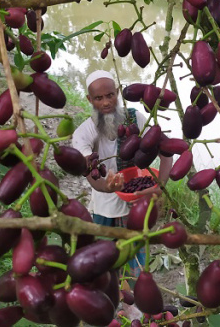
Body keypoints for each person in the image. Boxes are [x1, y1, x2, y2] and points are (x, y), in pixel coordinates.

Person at [71, 70, 172, 283]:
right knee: (105, 264)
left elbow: (166, 152)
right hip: (104, 209)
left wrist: (159, 187)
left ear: (117, 92)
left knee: (137, 264)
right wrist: (107, 186)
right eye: (98, 98)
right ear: (89, 99)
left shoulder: (135, 118)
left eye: (110, 95)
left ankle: (136, 296)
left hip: (136, 206)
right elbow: (91, 174)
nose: (106, 102)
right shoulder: (83, 134)